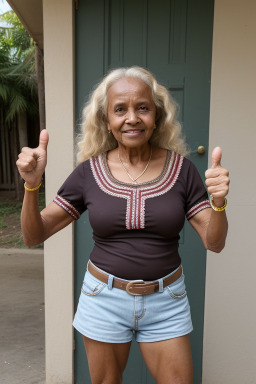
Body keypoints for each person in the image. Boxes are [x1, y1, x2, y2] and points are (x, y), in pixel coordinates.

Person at [16, 66, 229, 384]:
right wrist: (31, 187)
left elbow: (215, 242)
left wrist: (219, 203)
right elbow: (35, 235)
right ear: (106, 120)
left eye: (142, 107)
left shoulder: (182, 171)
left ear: (156, 115)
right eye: (120, 110)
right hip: (103, 297)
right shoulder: (89, 173)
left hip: (165, 299)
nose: (132, 118)